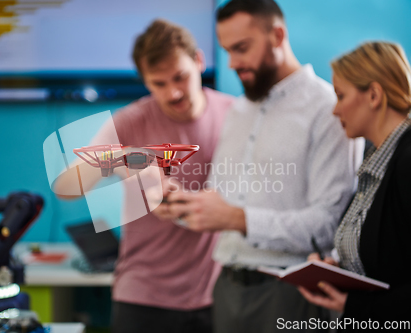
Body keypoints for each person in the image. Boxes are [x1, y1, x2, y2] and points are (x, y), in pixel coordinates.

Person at [156, 1, 362, 332]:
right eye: (227, 51)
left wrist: (238, 218)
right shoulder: (239, 111)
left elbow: (329, 226)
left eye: (241, 48)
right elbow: (222, 201)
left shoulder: (328, 110)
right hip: (227, 289)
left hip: (293, 293)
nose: (233, 63)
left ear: (277, 35)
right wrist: (183, 205)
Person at [54, 19, 235, 333]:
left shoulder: (236, 115)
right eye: (159, 83)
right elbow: (65, 188)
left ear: (199, 61)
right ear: (145, 81)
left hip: (217, 295)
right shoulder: (131, 121)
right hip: (142, 297)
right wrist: (125, 161)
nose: (174, 92)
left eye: (180, 77)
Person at [298, 41, 411, 330]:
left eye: (340, 95)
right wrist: (341, 272)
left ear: (373, 95)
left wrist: (357, 306)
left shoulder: (406, 161)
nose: (335, 110)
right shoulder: (375, 159)